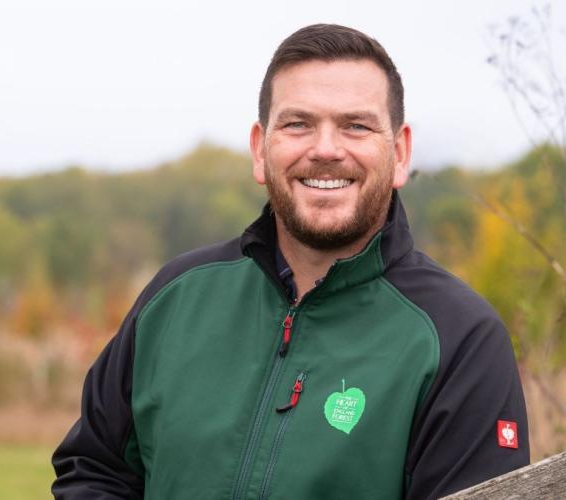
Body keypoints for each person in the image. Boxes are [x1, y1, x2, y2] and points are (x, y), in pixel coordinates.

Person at [52, 24, 529, 500]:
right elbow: (94, 471)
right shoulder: (175, 298)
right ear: (260, 150)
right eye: (298, 123)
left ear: (400, 153)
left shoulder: (460, 339)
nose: (325, 149)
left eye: (355, 125)